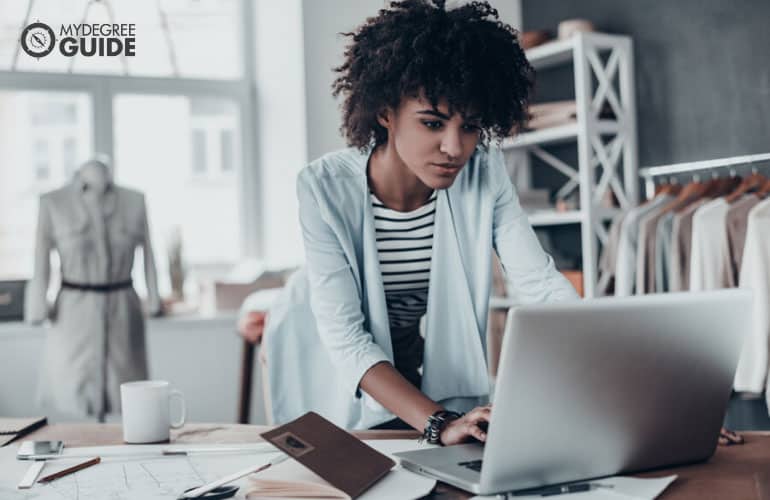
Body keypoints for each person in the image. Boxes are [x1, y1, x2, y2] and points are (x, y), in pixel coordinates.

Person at [255, 0, 578, 445]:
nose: (454, 147)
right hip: (320, 344)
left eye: (470, 127)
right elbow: (346, 338)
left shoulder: (484, 171)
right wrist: (438, 422)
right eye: (432, 123)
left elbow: (539, 285)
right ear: (385, 112)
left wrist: (613, 375)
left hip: (406, 343)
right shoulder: (323, 187)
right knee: (336, 466)